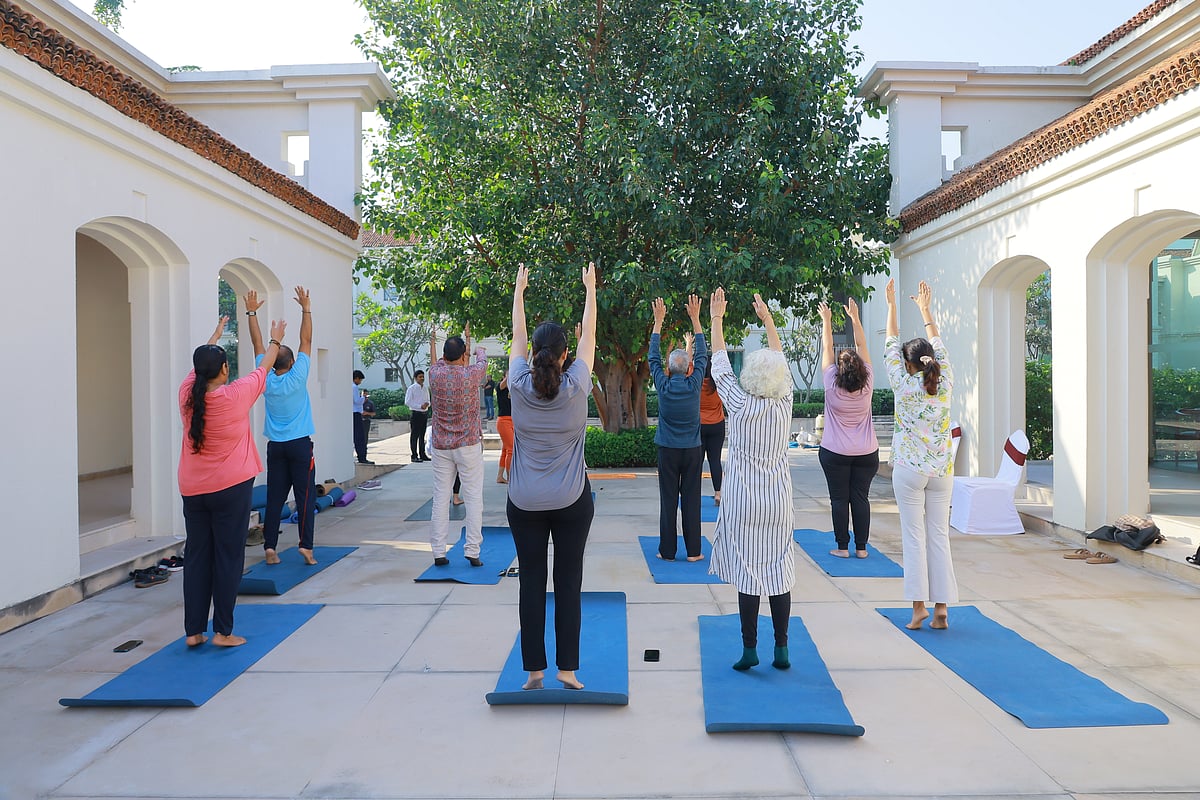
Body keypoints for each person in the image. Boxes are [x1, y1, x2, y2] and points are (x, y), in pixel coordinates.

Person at [507, 261, 597, 691]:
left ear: (534, 354)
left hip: (524, 501)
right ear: (566, 354)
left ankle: (534, 671)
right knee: (568, 582)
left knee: (531, 582)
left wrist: (519, 294)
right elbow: (590, 335)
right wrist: (590, 290)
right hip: (570, 501)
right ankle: (568, 670)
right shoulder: (577, 384)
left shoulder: (517, 382)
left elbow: (517, 335)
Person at [178, 313, 285, 648]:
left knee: (197, 557)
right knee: (227, 558)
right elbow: (264, 366)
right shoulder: (235, 395)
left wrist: (214, 336)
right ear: (224, 369)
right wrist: (276, 339)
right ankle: (223, 632)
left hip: (193, 490)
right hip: (230, 489)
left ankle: (194, 632)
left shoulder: (187, 395)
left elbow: (200, 367)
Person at [706, 289, 796, 671]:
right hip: (778, 501)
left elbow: (719, 364)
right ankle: (782, 648)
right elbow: (782, 361)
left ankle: (749, 649)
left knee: (749, 573)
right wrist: (769, 322)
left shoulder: (740, 405)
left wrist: (716, 319)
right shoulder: (785, 404)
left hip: (743, 501)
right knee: (778, 571)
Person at [885, 278, 957, 631]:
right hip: (942, 470)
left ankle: (919, 609)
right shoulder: (946, 380)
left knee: (914, 537)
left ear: (908, 364)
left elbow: (889, 343)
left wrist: (892, 306)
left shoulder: (903, 384)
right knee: (939, 535)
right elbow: (939, 346)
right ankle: (942, 608)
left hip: (909, 470)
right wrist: (926, 311)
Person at [244, 286, 319, 567]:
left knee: (275, 498)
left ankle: (270, 548)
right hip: (300, 446)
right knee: (305, 496)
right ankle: (306, 547)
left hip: (276, 447)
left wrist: (252, 313)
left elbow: (257, 345)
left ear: (272, 362)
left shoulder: (265, 379)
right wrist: (306, 308)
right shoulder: (298, 375)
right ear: (293, 362)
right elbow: (306, 339)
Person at [817, 298, 879, 559]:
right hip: (866, 453)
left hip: (835, 452)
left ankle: (842, 547)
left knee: (840, 500)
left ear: (838, 370)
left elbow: (827, 347)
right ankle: (861, 548)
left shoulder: (831, 383)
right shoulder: (868, 383)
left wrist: (827, 320)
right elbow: (862, 345)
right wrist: (855, 319)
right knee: (861, 499)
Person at [649, 294, 708, 561]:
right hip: (692, 450)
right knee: (691, 500)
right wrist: (695, 318)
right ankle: (694, 551)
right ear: (688, 369)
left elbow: (653, 357)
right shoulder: (694, 384)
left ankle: (668, 551)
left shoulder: (662, 385)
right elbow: (703, 356)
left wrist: (658, 322)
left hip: (668, 450)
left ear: (669, 368)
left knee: (668, 500)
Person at [427, 325, 488, 566]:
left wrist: (434, 341)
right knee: (473, 498)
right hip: (468, 444)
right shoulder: (471, 375)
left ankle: (438, 552)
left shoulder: (434, 374)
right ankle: (472, 550)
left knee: (440, 497)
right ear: (464, 356)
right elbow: (481, 362)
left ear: (443, 356)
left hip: (441, 445)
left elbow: (437, 361)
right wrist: (478, 349)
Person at [699, 359, 726, 506]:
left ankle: (694, 493)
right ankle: (718, 493)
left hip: (699, 425)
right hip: (717, 425)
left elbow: (688, 363)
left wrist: (688, 346)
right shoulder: (719, 385)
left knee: (697, 462)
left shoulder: (695, 383)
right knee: (715, 460)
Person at [405, 369, 431, 462]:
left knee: (422, 435)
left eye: (423, 377)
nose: (422, 378)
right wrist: (420, 406)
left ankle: (422, 454)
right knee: (414, 435)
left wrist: (427, 404)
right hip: (416, 414)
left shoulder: (425, 388)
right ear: (415, 378)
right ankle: (414, 455)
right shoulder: (411, 388)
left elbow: (428, 400)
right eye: (420, 377)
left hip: (424, 414)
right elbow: (408, 402)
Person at [352, 370, 373, 465]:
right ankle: (362, 457)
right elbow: (357, 401)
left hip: (353, 413)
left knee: (358, 436)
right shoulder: (354, 387)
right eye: (360, 380)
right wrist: (364, 398)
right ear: (356, 378)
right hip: (356, 413)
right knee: (360, 437)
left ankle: (361, 456)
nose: (360, 382)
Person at [495, 371, 513, 483]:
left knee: (506, 450)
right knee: (511, 449)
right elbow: (503, 383)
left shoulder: (513, 389)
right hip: (504, 421)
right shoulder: (500, 387)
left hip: (512, 421)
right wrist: (511, 373)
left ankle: (500, 476)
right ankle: (511, 478)